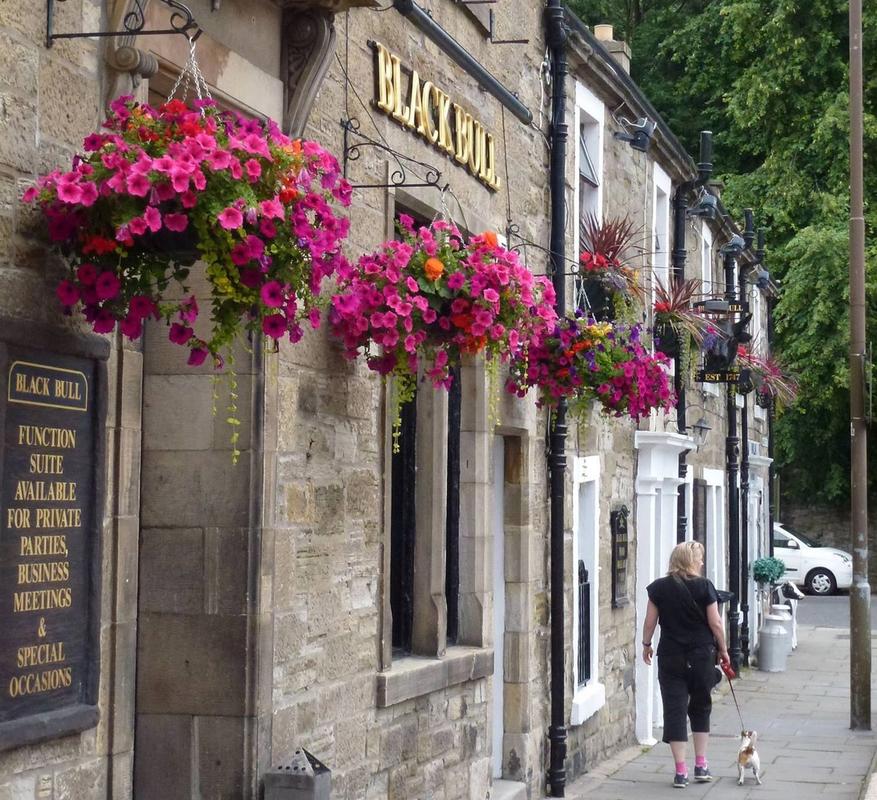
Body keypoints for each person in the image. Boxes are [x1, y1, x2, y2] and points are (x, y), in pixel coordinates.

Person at [641, 540, 730, 789]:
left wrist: (646, 644)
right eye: (699, 558)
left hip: (670, 656)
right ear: (690, 560)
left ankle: (681, 771)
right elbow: (716, 624)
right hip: (701, 655)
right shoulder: (705, 587)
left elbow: (650, 623)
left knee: (675, 709)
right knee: (701, 707)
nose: (701, 562)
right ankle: (701, 765)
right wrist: (723, 650)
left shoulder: (658, 588)